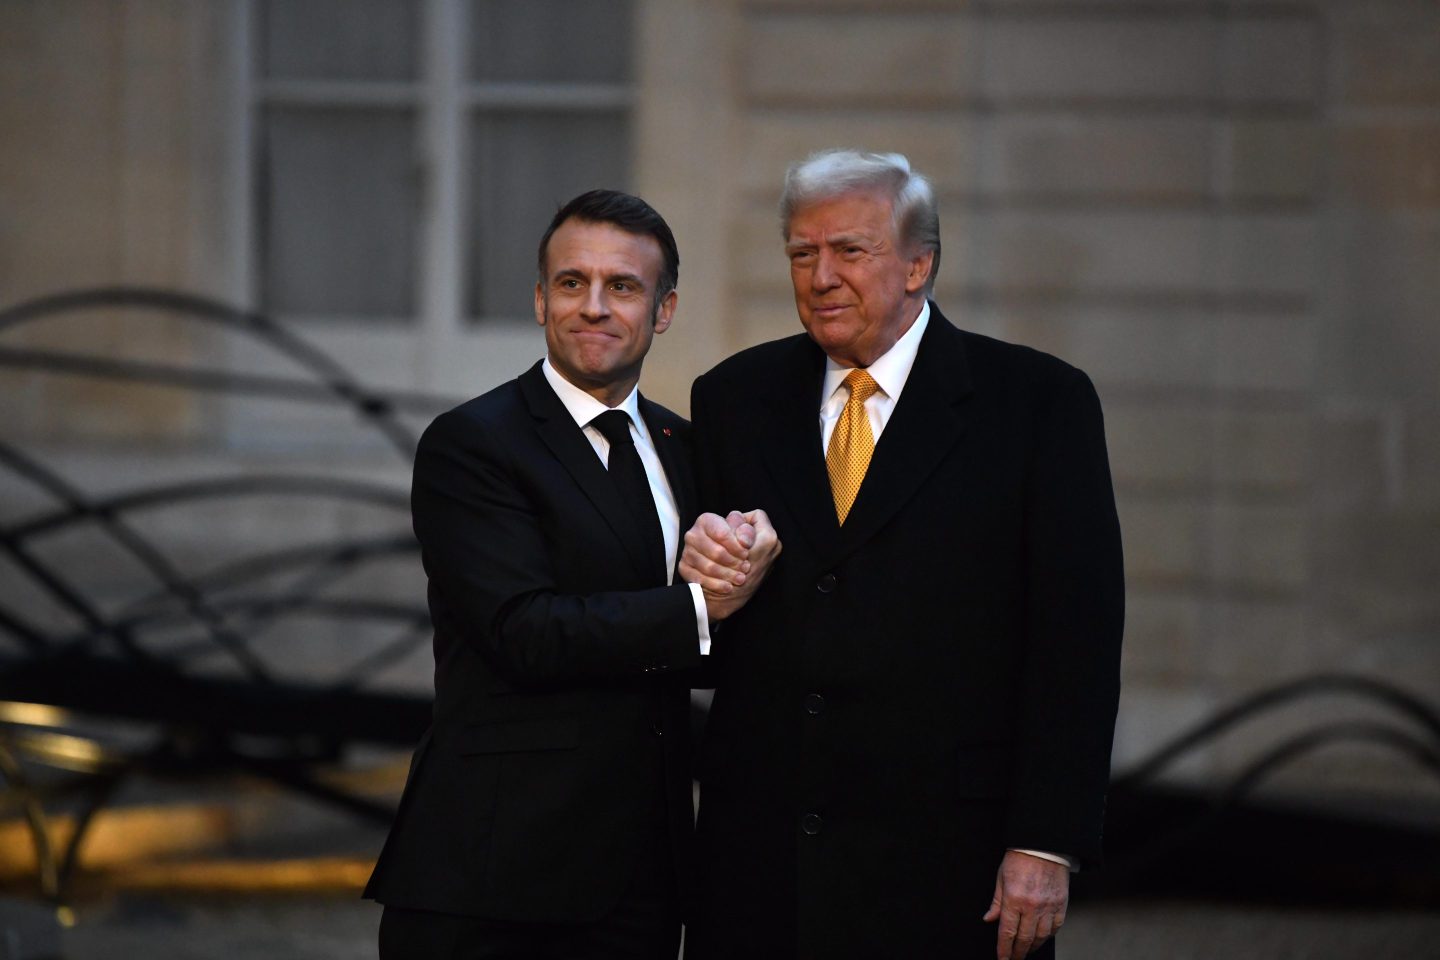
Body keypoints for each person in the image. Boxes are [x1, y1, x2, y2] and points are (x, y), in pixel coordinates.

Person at [679, 150, 1125, 959]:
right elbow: (709, 633)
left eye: (850, 251)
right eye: (802, 255)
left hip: (950, 864)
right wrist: (701, 588)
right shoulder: (732, 398)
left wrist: (1046, 842)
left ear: (920, 264)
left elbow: (1077, 642)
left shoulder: (1037, 403)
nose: (820, 277)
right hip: (762, 865)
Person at [364, 189, 778, 960]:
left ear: (663, 311)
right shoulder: (472, 445)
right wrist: (701, 606)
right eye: (570, 283)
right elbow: (524, 631)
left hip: (644, 881)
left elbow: (721, 640)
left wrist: (749, 565)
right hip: (492, 882)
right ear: (539, 301)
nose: (593, 306)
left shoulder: (685, 448)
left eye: (621, 286)